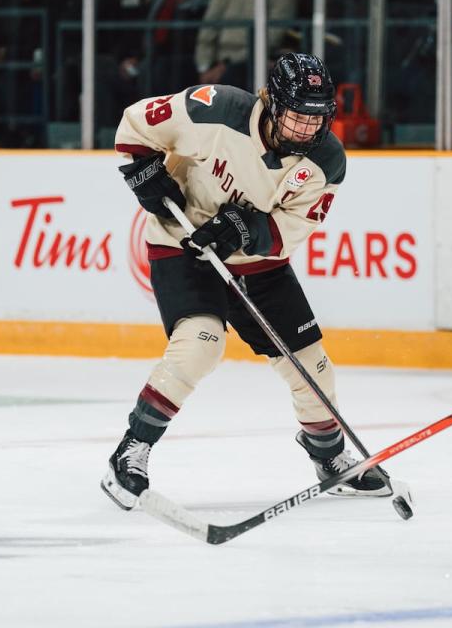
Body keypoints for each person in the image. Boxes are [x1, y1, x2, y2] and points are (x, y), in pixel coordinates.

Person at [101, 52, 392, 512]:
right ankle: (131, 450)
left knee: (312, 366)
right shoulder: (214, 109)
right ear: (272, 104)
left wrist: (244, 228)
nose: (306, 130)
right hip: (184, 243)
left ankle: (330, 457)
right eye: (297, 116)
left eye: (316, 120)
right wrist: (144, 173)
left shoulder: (327, 160)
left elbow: (288, 231)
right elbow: (135, 124)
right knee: (201, 342)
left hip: (259, 264)